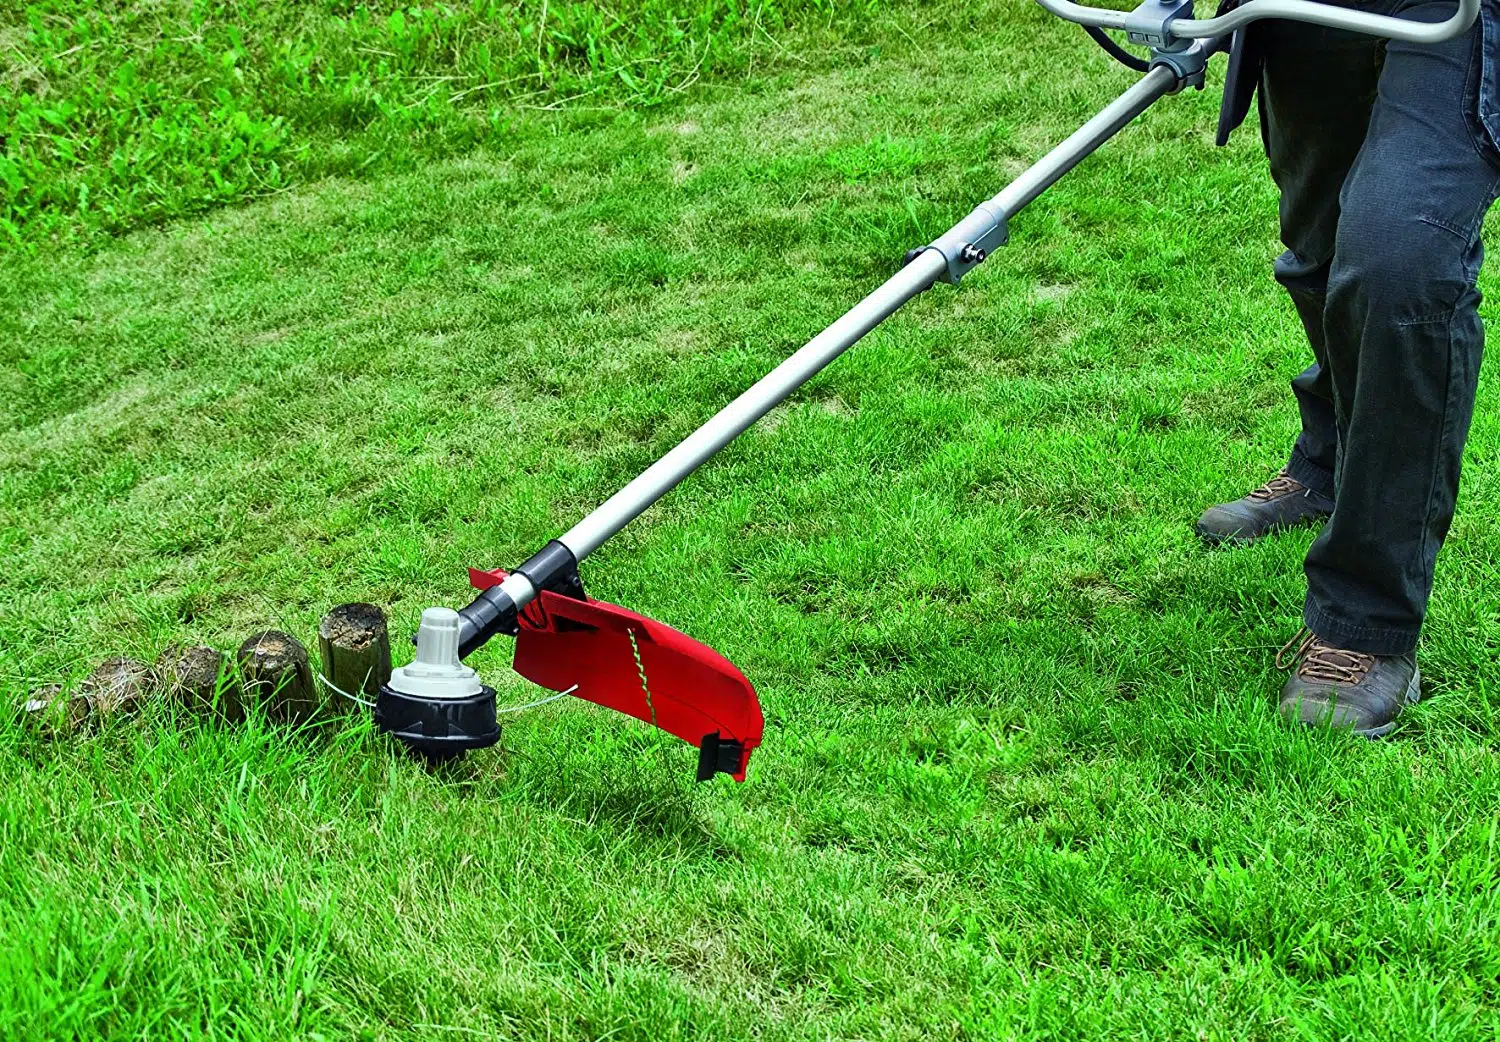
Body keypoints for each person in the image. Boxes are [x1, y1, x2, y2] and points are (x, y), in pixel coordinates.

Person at [1194, 0, 1498, 735]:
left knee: (1400, 262)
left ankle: (1365, 625)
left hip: (1459, 12)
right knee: (1321, 241)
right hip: (1308, 5)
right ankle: (1329, 461)